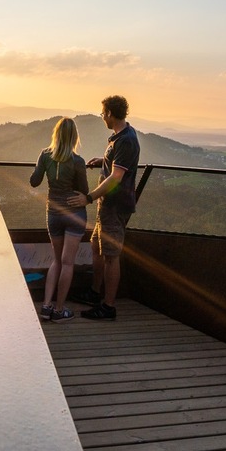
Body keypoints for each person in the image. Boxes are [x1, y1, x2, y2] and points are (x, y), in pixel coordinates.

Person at [68, 95, 140, 320]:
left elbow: (116, 178)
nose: (102, 118)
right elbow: (118, 166)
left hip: (115, 206)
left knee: (110, 255)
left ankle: (108, 307)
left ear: (110, 113)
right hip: (107, 205)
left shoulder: (126, 140)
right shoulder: (120, 137)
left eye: (102, 113)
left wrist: (88, 198)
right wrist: (104, 161)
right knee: (97, 248)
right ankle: (94, 292)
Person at [29, 117, 90, 323]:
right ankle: (60, 310)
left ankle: (46, 306)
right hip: (74, 213)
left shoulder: (45, 155)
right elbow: (84, 191)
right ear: (74, 137)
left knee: (56, 260)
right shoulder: (77, 161)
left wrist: (41, 166)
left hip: (53, 213)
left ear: (55, 135)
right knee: (68, 263)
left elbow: (34, 181)